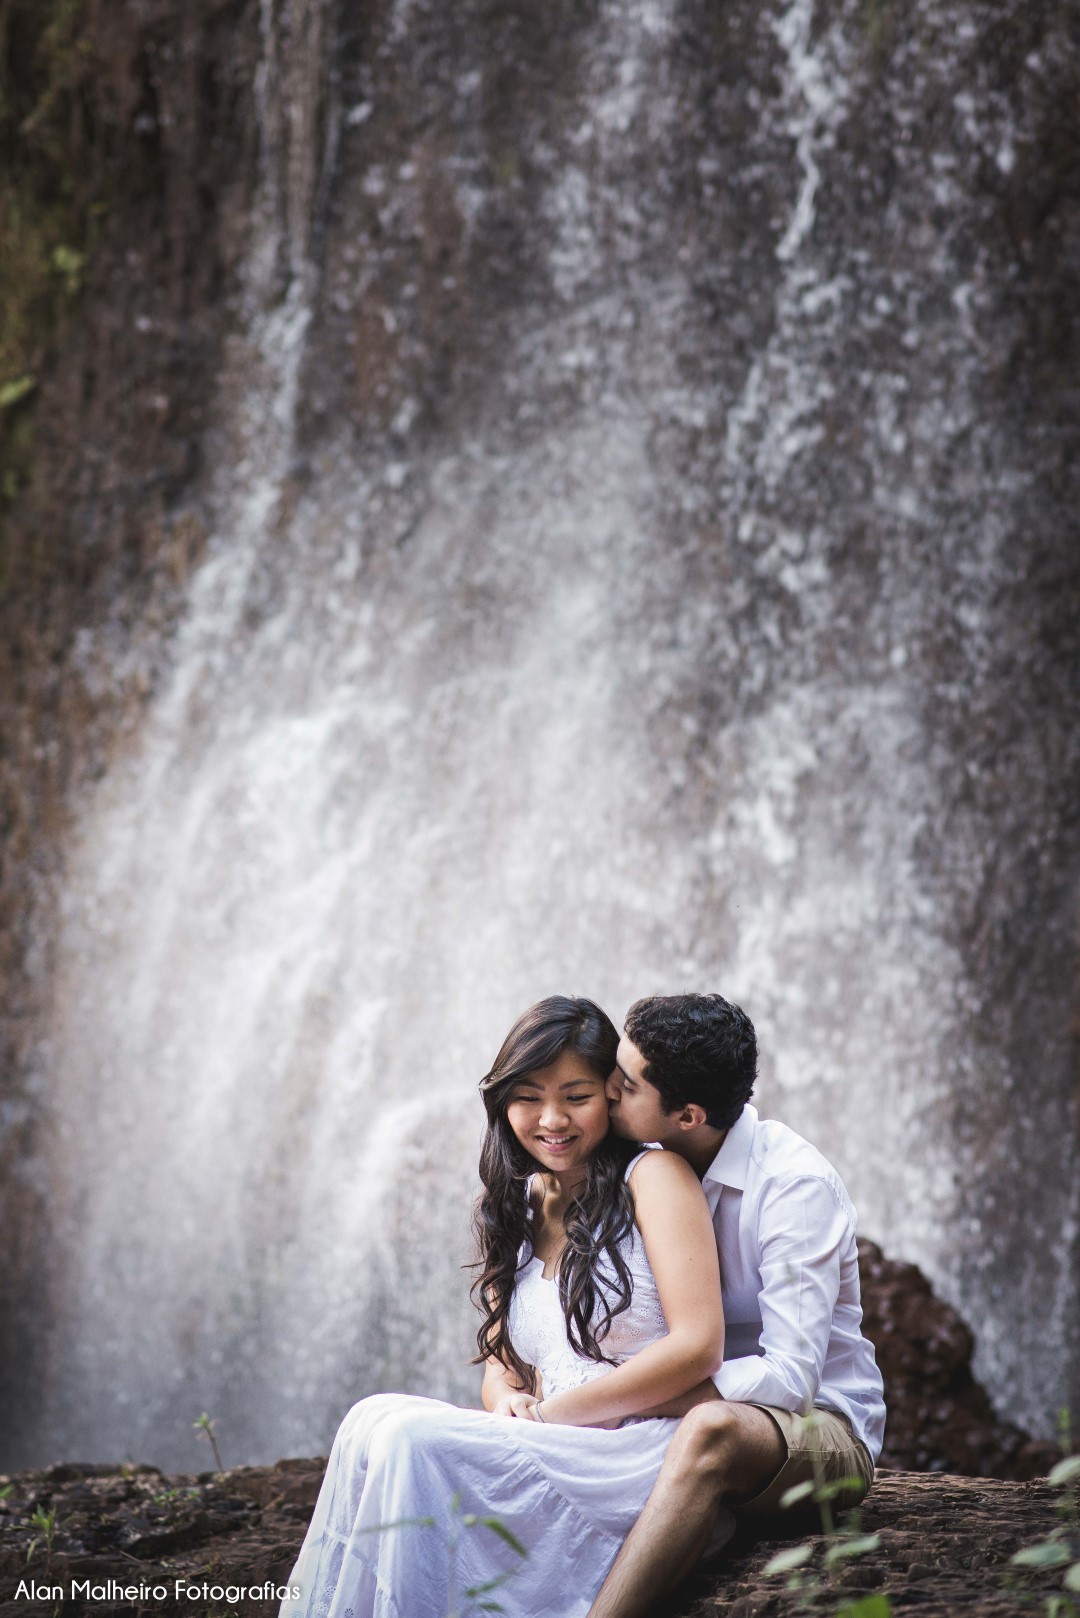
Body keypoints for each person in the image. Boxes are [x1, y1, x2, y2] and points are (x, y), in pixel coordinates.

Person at [280, 995, 725, 1618]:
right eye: (528, 1097)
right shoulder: (513, 1204)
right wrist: (510, 1403)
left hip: (635, 1453)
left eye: (576, 1096)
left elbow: (699, 1344)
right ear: (502, 1101)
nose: (552, 1119)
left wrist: (549, 1416)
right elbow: (501, 1366)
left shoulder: (654, 1177)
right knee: (371, 1418)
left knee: (410, 1435)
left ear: (612, 1095)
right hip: (550, 1438)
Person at [587, 992, 886, 1618]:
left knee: (710, 1431)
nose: (607, 1091)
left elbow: (789, 1378)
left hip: (817, 1427)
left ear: (689, 1115)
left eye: (627, 1085)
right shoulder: (634, 1164)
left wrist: (621, 1397)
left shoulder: (794, 1187)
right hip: (678, 1403)